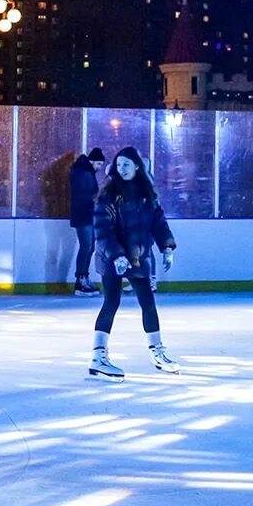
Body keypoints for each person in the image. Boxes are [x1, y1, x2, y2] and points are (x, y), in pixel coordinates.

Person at [89, 146, 180, 379]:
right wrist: (117, 255)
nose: (122, 169)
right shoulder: (109, 193)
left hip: (140, 257)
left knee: (148, 303)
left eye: (126, 165)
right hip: (112, 258)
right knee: (111, 302)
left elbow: (158, 222)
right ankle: (98, 357)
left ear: (137, 166)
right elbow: (103, 229)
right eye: (119, 165)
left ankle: (157, 352)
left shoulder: (146, 193)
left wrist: (167, 247)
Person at [69, 148, 105, 296]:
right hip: (85, 216)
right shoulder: (84, 173)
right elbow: (87, 197)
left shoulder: (84, 172)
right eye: (98, 164)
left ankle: (83, 278)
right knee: (87, 247)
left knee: (88, 247)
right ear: (92, 161)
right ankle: (81, 280)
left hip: (85, 216)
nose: (99, 168)